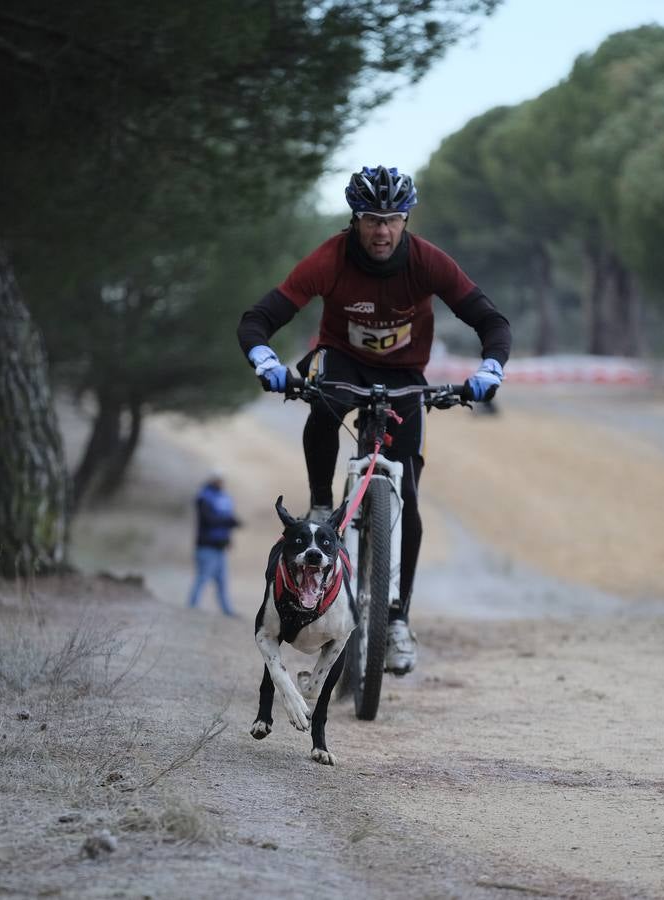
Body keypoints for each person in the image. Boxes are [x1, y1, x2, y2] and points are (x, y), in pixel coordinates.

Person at [237, 165, 511, 674]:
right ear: (355, 220)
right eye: (370, 219)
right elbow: (259, 318)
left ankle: (397, 618)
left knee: (406, 495)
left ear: (406, 219)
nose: (381, 231)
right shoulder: (331, 258)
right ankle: (322, 507)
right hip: (341, 363)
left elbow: (491, 320)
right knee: (321, 403)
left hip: (406, 375)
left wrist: (490, 369)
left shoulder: (428, 261)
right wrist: (267, 361)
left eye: (392, 219)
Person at [188, 468, 241, 616]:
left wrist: (229, 536)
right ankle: (191, 606)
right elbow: (208, 519)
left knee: (222, 580)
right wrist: (229, 521)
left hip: (220, 546)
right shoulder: (203, 497)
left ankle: (227, 610)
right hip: (206, 545)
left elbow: (226, 520)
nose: (220, 482)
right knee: (202, 577)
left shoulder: (224, 497)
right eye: (217, 479)